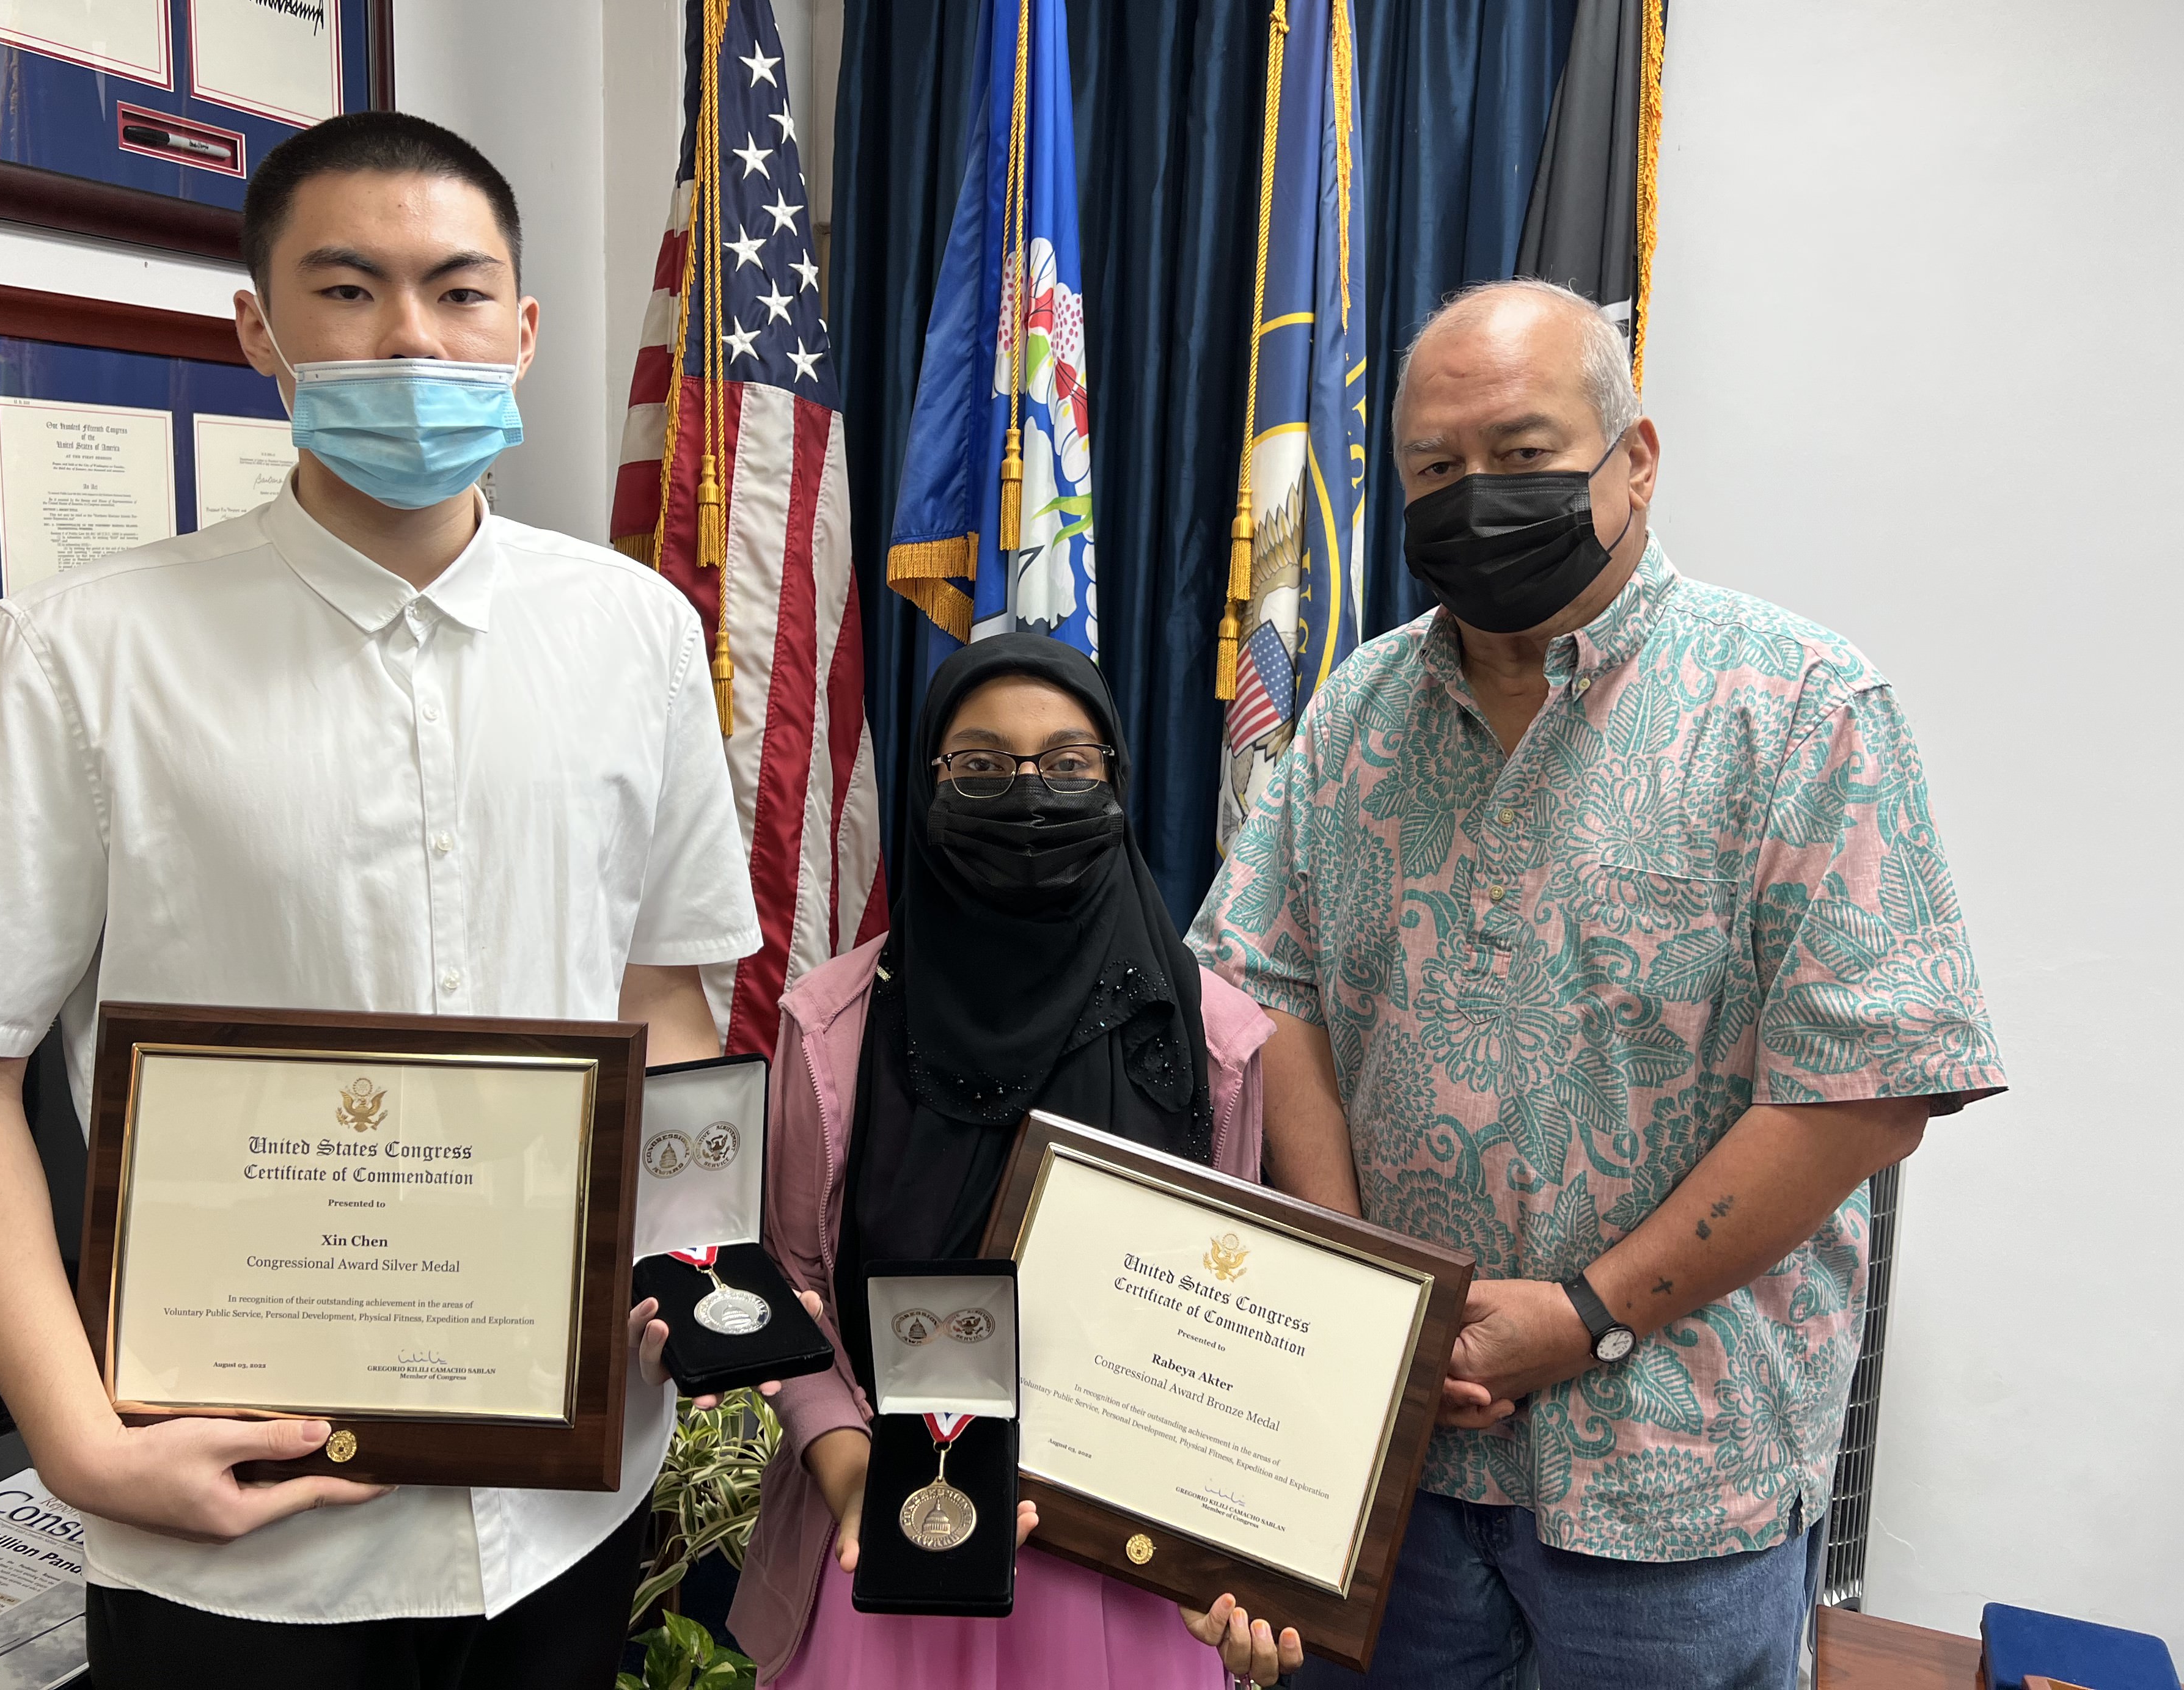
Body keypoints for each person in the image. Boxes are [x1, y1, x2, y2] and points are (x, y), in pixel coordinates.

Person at [0, 111, 798, 1688]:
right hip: (233, 1526)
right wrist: (76, 1442)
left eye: (458, 290)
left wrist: (701, 1271)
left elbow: (659, 1003)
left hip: (565, 1496)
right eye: (346, 292)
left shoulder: (636, 635)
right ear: (258, 331)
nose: (411, 335)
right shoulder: (86, 652)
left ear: (524, 329)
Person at [1191, 279, 2006, 1690]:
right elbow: (1275, 994)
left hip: (1675, 1486)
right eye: (1434, 469)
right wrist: (1364, 1291)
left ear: (1633, 457)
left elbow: (1868, 1087)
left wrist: (1586, 1313)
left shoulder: (1801, 706)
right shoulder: (1352, 718)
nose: (1473, 497)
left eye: (1520, 455)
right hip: (1398, 1453)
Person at [728, 635, 1306, 1689]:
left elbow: (1229, 1320)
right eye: (984, 768)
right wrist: (845, 1459)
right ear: (929, 786)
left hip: (1127, 1572)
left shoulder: (1214, 1038)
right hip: (889, 1541)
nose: (1031, 798)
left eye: (1071, 766)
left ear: (1118, 784)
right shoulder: (833, 1027)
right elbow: (793, 1283)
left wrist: (1252, 1553)